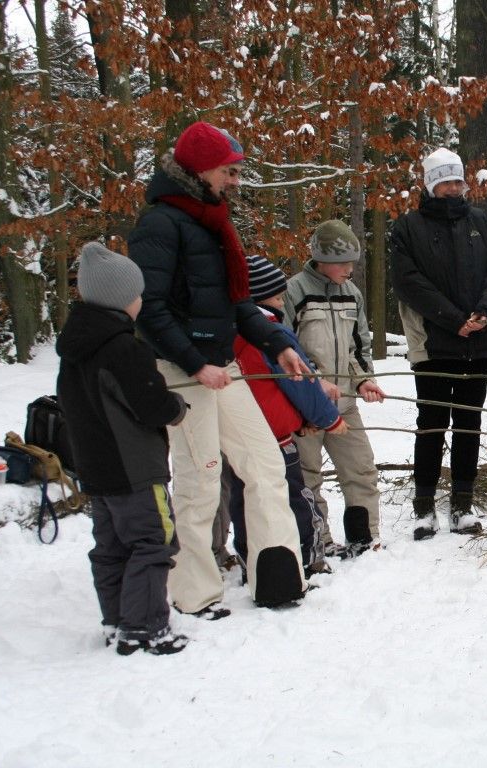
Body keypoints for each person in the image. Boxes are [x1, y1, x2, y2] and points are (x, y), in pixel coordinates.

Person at [128, 120, 310, 614]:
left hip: (222, 366)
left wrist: (277, 344)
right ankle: (195, 594)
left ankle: (277, 578)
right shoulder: (160, 224)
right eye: (229, 171)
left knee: (265, 464)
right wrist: (194, 364)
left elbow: (236, 301)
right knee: (201, 480)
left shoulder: (213, 221)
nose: (235, 180)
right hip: (182, 371)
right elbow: (148, 309)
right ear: (201, 169)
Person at [56, 242, 189, 655]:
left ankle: (117, 620)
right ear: (121, 299)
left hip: (97, 471)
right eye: (137, 295)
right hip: (135, 470)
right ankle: (145, 627)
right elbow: (151, 404)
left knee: (111, 547)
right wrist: (176, 407)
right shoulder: (124, 349)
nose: (140, 302)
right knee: (153, 541)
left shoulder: (74, 350)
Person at [389, 147, 487, 539]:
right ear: (430, 185)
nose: (452, 188)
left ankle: (462, 505)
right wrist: (454, 320)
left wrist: (484, 312)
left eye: (457, 180)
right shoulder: (408, 228)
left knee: (469, 424)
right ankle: (424, 507)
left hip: (479, 341)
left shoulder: (484, 224)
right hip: (433, 342)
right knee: (432, 423)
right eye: (444, 182)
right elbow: (408, 282)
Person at [229, 255, 349, 575]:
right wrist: (327, 418)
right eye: (279, 298)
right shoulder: (272, 335)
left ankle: (252, 562)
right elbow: (301, 383)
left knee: (246, 501)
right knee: (294, 497)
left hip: (237, 439)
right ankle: (309, 557)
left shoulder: (226, 336)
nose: (283, 304)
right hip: (277, 439)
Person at [284, 219, 385, 557]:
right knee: (307, 476)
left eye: (352, 262)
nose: (349, 269)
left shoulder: (352, 294)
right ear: (321, 259)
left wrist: (364, 379)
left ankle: (365, 536)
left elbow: (360, 345)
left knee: (361, 468)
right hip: (305, 407)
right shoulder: (294, 291)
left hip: (345, 404)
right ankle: (319, 539)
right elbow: (285, 348)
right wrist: (315, 380)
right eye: (343, 263)